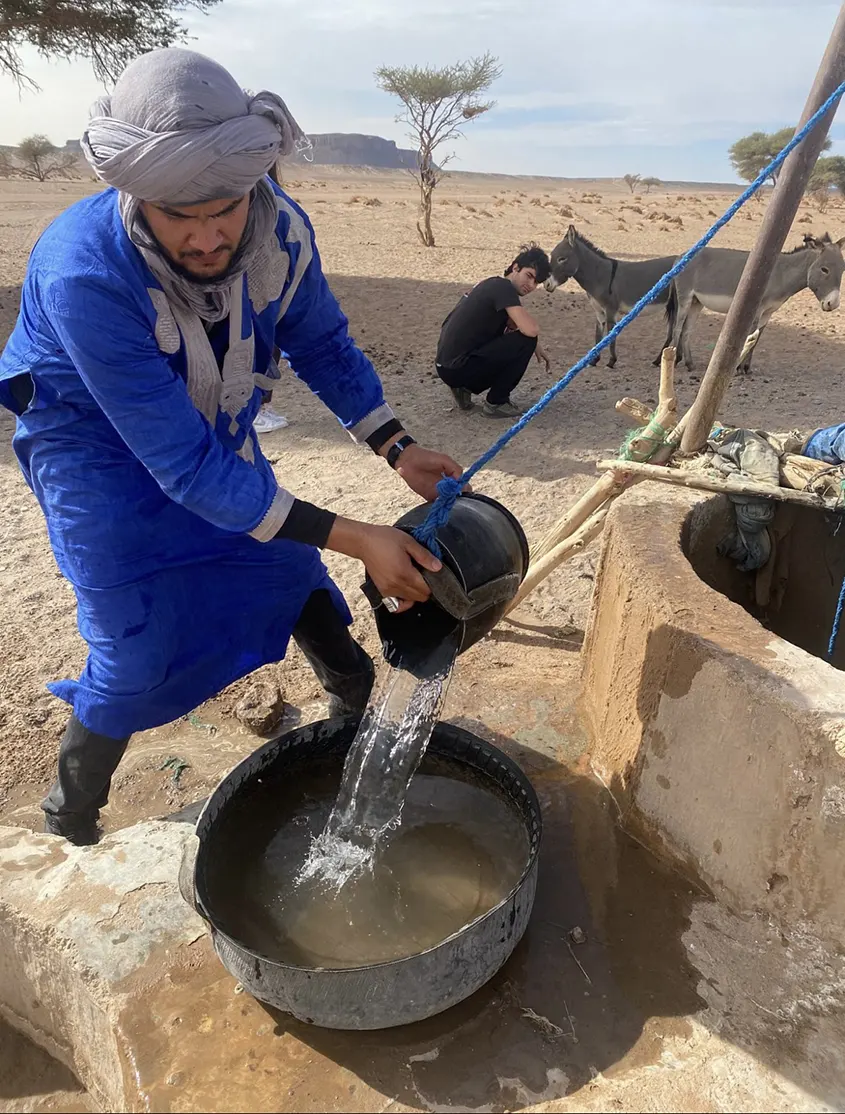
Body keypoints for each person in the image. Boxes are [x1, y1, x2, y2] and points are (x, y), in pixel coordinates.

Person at [0, 48, 463, 846]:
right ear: (134, 195)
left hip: (209, 419)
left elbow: (318, 339)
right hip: (94, 451)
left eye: (226, 207)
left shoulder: (279, 228)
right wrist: (358, 535)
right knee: (130, 648)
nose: (209, 236)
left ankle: (351, 706)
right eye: (180, 215)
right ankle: (70, 821)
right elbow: (183, 470)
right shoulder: (85, 273)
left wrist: (396, 445)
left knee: (284, 565)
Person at [435, 245, 552, 419]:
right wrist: (533, 342)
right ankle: (497, 402)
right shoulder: (504, 288)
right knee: (526, 341)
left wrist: (535, 343)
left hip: (445, 367)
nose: (531, 285)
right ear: (515, 267)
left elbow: (512, 324)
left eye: (536, 282)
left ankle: (462, 389)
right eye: (529, 276)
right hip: (458, 367)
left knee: (521, 337)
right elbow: (531, 329)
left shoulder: (490, 284)